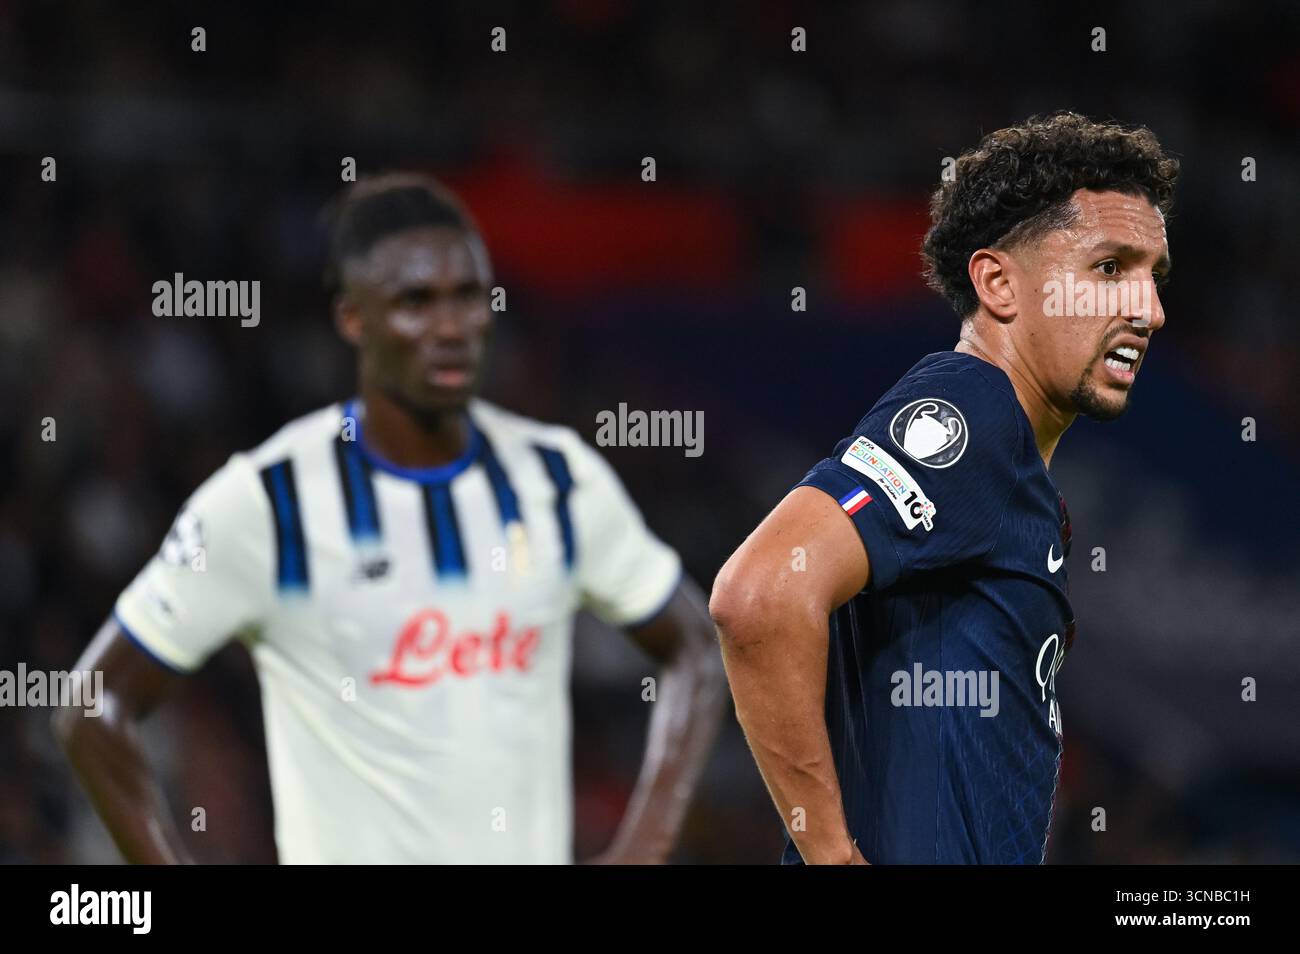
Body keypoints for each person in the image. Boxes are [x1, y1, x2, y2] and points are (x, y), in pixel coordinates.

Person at [54, 173, 726, 864]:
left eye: (468, 297)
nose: (451, 328)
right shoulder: (269, 501)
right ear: (353, 318)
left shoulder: (556, 479)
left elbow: (698, 648)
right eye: (415, 302)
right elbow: (92, 706)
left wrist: (644, 847)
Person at [710, 112, 1177, 864]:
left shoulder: (1021, 484)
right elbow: (758, 595)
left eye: (1154, 276)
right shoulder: (972, 410)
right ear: (997, 282)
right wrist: (830, 855)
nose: (1148, 310)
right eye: (1110, 268)